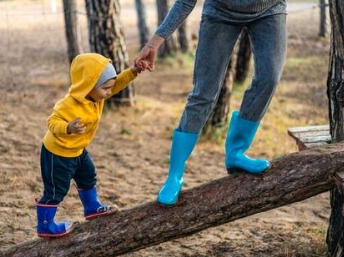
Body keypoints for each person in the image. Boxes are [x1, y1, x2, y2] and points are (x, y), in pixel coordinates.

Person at [135, 0, 287, 206]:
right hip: (220, 13)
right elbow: (185, 2)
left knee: (269, 80)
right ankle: (175, 175)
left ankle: (236, 152)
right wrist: (154, 43)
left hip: (269, 9)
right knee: (203, 94)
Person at [36, 53, 145, 238]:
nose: (109, 92)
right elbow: (51, 122)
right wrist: (67, 128)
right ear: (88, 85)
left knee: (87, 175)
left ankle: (92, 207)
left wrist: (133, 72)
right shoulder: (68, 104)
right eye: (105, 88)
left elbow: (116, 84)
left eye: (110, 88)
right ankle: (45, 226)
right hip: (58, 153)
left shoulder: (97, 96)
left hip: (78, 150)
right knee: (56, 190)